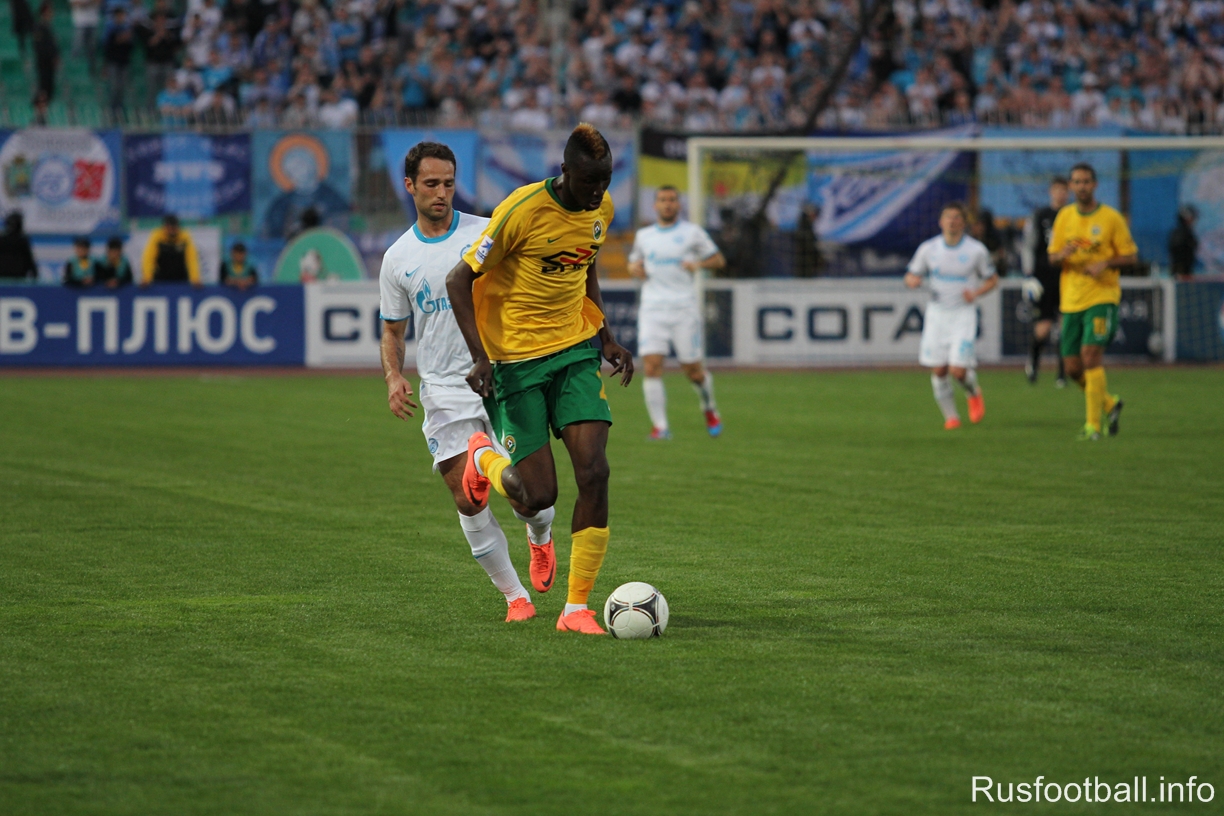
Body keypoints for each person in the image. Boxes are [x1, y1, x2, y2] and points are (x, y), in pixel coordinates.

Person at [446, 123, 634, 636]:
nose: (597, 191)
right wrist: (480, 358)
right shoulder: (522, 210)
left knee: (595, 471)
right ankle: (483, 458)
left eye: (605, 181)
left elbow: (585, 263)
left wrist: (606, 337)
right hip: (516, 362)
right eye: (589, 180)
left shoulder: (601, 208)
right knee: (538, 496)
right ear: (565, 171)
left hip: (574, 351)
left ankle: (576, 610)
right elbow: (458, 279)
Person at [379, 142, 557, 624]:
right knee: (465, 498)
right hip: (443, 388)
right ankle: (515, 598)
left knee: (530, 497)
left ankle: (540, 536)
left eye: (449, 183)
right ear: (410, 185)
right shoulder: (397, 258)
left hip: (503, 376)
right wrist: (394, 376)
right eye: (431, 184)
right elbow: (393, 330)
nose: (441, 193)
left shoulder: (485, 232)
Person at [627, 185, 726, 440]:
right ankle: (660, 427)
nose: (667, 204)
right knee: (651, 367)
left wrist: (698, 264)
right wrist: (633, 268)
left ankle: (709, 407)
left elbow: (718, 260)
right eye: (663, 200)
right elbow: (633, 262)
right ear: (655, 205)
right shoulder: (644, 235)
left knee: (693, 370)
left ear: (679, 205)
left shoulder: (692, 233)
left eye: (672, 199)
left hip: (684, 309)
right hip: (652, 309)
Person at [1048, 163, 1137, 441]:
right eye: (1077, 182)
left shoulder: (1111, 218)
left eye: (1086, 181)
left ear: (1095, 185)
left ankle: (1093, 426)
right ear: (1071, 186)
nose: (1082, 186)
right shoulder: (1064, 216)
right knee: (1072, 368)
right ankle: (1110, 404)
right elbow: (1052, 257)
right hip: (1071, 299)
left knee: (1090, 355)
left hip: (1102, 296)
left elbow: (1131, 257)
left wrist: (1105, 263)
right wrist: (1061, 254)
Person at [904, 201, 998, 429]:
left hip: (963, 314)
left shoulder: (976, 250)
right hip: (937, 314)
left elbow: (992, 280)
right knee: (939, 369)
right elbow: (910, 275)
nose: (952, 221)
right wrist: (913, 281)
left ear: (963, 223)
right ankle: (951, 418)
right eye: (948, 217)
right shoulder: (929, 249)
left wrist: (975, 293)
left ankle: (973, 392)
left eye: (957, 217)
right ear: (941, 222)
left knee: (958, 371)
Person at [1023, 177, 1069, 386]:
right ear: (1051, 192)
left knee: (1065, 328)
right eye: (1057, 190)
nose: (1060, 194)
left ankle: (1062, 373)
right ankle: (1033, 365)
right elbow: (1029, 246)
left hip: (1067, 277)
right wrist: (1029, 275)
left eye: (1063, 190)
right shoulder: (1040, 215)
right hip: (1044, 278)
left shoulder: (1073, 215)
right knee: (1043, 328)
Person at [141, 215, 201, 285]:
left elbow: (191, 259)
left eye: (174, 228)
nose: (172, 231)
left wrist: (195, 278)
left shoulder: (185, 237)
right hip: (161, 278)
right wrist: (147, 277)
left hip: (181, 277)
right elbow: (148, 258)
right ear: (164, 227)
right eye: (169, 228)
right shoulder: (157, 236)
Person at [0, 212, 37, 281]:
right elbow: (30, 261)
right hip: (15, 279)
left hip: (15, 279)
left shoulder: (22, 241)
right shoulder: (22, 241)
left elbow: (29, 261)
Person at [1168, 205, 1199, 281]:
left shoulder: (1183, 233)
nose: (1193, 220)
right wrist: (1181, 271)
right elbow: (1178, 253)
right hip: (1182, 273)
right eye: (1192, 218)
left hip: (1184, 272)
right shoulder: (1182, 234)